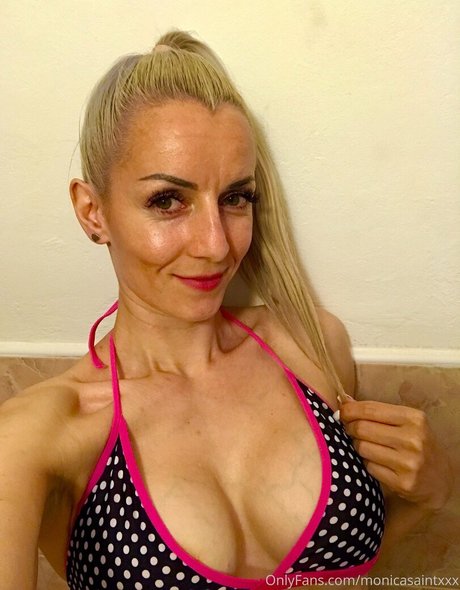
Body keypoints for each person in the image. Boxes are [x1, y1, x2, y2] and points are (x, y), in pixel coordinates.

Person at [0, 30, 452, 590]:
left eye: (236, 198)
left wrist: (430, 498)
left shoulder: (311, 346)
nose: (216, 245)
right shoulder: (36, 440)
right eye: (168, 200)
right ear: (92, 212)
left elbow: (342, 575)